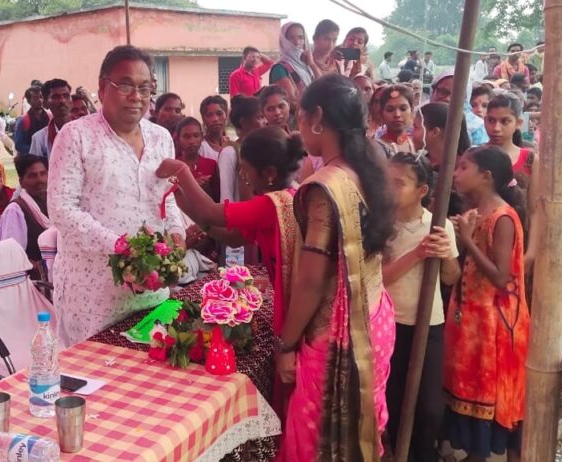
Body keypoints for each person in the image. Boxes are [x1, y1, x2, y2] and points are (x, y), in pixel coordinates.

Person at [276, 74, 397, 461]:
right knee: (359, 431)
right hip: (375, 319)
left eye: (299, 116)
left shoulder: (326, 187)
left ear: (317, 118)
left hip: (336, 335)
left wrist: (285, 344)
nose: (297, 127)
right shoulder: (370, 170)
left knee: (317, 441)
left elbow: (312, 281)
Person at [156, 125, 305, 413]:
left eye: (246, 171)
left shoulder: (271, 204)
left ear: (268, 173)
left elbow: (213, 213)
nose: (243, 178)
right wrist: (186, 206)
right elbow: (233, 237)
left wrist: (183, 172)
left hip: (293, 310)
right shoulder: (288, 194)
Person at [49, 46, 185, 346]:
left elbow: (167, 197)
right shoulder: (76, 136)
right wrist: (120, 248)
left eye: (145, 87)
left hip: (151, 287)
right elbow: (61, 208)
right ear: (102, 88)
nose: (136, 96)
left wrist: (176, 233)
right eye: (125, 85)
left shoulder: (161, 137)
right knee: (98, 373)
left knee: (154, 366)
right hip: (94, 295)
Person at [445, 145, 529, 462]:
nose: (456, 174)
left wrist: (466, 239)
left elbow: (500, 277)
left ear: (486, 176)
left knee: (486, 389)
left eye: (464, 167)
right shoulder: (477, 212)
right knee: (468, 385)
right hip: (473, 319)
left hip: (494, 323)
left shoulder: (502, 217)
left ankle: (480, 453)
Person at [383, 152, 460, 462]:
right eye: (387, 180)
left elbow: (451, 277)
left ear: (422, 190)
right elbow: (380, 278)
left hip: (429, 324)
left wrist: (445, 255)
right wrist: (417, 254)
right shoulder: (381, 225)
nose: (390, 189)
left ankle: (426, 455)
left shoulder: (438, 225)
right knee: (394, 400)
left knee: (429, 407)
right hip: (391, 323)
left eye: (399, 183)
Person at [0, 155, 50, 263]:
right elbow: (11, 256)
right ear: (21, 182)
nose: (40, 180)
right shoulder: (15, 211)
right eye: (32, 176)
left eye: (43, 173)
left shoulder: (55, 204)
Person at [431, 70, 490, 146]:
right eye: (443, 92)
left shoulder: (477, 127)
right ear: (433, 91)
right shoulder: (422, 118)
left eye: (456, 94)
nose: (448, 99)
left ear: (465, 98)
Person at [198, 96, 238, 202]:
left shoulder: (233, 146)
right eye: (209, 115)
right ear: (203, 118)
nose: (215, 119)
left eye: (219, 113)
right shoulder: (200, 148)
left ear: (226, 115)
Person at [174, 118, 219, 201]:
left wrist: (207, 188)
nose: (192, 141)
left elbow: (217, 197)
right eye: (186, 137)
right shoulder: (173, 167)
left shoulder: (211, 164)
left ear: (202, 137)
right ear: (178, 139)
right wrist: (193, 187)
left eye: (196, 136)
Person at [270, 22, 314, 105]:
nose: (297, 42)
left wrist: (312, 64)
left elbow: (323, 85)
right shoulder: (280, 68)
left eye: (301, 37)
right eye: (291, 38)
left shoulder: (308, 64)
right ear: (284, 40)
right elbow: (293, 100)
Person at [30, 79, 72, 158]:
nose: (62, 100)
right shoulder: (40, 139)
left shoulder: (85, 131)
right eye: (55, 97)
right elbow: (35, 165)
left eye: (66, 96)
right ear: (45, 104)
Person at [376, 84, 416, 153]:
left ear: (412, 111)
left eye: (403, 109)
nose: (397, 115)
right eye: (390, 110)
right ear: (381, 113)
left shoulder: (419, 147)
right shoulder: (375, 148)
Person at [13, 85, 50, 156]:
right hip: (30, 158)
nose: (40, 100)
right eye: (35, 97)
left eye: (41, 97)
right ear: (28, 101)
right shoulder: (23, 120)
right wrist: (37, 151)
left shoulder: (50, 117)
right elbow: (19, 145)